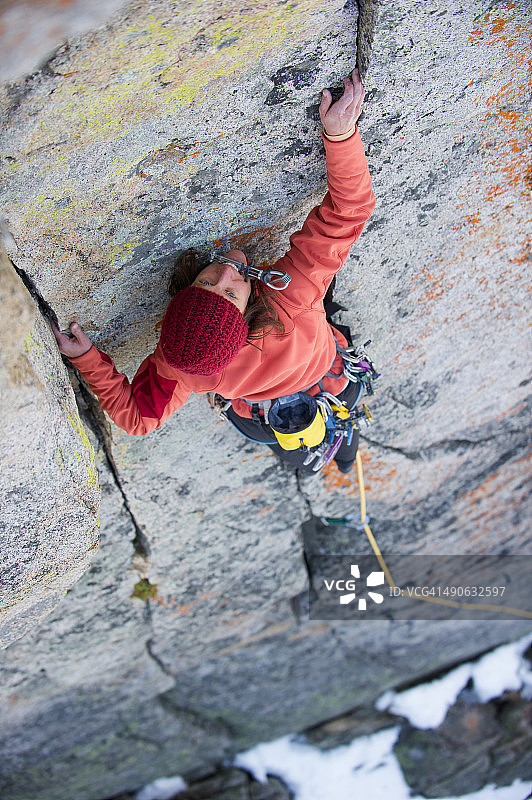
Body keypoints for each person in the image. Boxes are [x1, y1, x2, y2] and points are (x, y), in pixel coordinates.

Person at [52, 68, 376, 474]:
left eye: (205, 282)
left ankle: (330, 461)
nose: (226, 271)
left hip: (262, 404)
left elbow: (138, 420)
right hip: (325, 374)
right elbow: (349, 213)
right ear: (247, 314)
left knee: (315, 439)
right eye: (228, 292)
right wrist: (341, 136)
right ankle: (340, 460)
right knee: (343, 408)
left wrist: (87, 359)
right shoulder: (290, 296)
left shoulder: (181, 366)